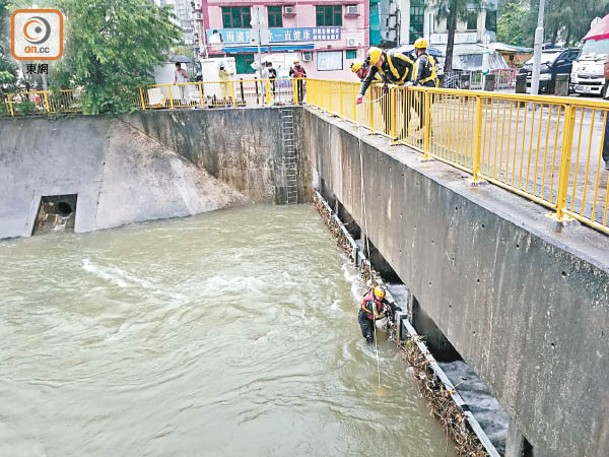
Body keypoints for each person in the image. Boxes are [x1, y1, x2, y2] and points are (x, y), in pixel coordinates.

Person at [356, 46, 416, 139]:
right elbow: (368, 79)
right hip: (399, 85)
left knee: (409, 107)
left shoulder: (394, 56)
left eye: (376, 63)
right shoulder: (376, 66)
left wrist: (410, 81)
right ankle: (405, 131)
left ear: (380, 57)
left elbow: (411, 64)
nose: (376, 66)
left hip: (408, 85)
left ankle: (412, 129)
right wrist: (361, 93)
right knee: (410, 106)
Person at [407, 38, 440, 132]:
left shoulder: (420, 60)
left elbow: (417, 74)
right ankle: (427, 131)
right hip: (432, 84)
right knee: (426, 110)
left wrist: (412, 84)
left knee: (426, 111)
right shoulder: (429, 58)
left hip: (426, 86)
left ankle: (428, 134)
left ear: (416, 49)